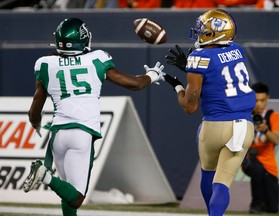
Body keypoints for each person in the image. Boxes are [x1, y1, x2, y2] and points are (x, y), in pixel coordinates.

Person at [23, 17, 165, 216]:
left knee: (68, 193)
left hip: (58, 136)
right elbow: (134, 84)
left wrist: (35, 122)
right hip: (81, 134)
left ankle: (46, 177)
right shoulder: (96, 58)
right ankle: (45, 177)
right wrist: (153, 75)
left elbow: (36, 105)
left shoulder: (46, 64)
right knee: (77, 197)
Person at [164, 9, 256, 216]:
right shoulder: (238, 50)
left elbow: (190, 107)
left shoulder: (198, 57)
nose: (199, 33)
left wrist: (179, 87)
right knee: (222, 183)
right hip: (243, 125)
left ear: (216, 33)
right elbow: (220, 77)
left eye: (203, 29)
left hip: (214, 126)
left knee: (208, 175)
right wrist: (189, 69)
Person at [242, 82, 279, 214]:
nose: (259, 104)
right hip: (249, 160)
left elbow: (276, 139)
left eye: (262, 100)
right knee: (257, 168)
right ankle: (256, 204)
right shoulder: (244, 117)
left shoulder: (274, 117)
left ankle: (264, 203)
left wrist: (265, 130)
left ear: (268, 99)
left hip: (268, 165)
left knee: (272, 208)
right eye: (256, 100)